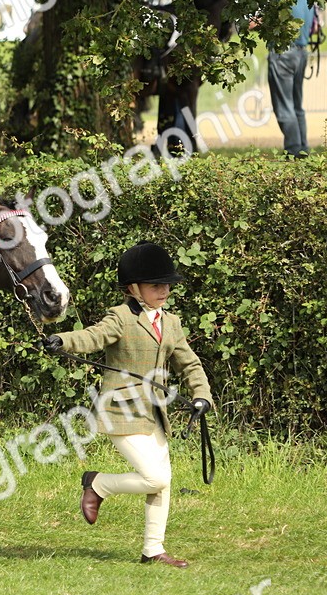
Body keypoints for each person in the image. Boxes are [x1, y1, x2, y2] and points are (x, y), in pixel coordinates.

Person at [43, 242, 213, 569]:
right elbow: (92, 337)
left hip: (154, 413)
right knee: (156, 478)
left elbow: (190, 365)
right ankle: (98, 484)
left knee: (162, 480)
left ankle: (153, 548)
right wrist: (63, 340)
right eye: (155, 285)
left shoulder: (172, 323)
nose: (164, 290)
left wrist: (201, 394)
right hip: (120, 410)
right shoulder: (120, 318)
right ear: (133, 288)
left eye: (166, 284)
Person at [266, 0, 314, 158]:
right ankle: (302, 147)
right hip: (301, 53)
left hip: (283, 53)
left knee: (284, 106)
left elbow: (261, 23)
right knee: (296, 105)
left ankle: (293, 149)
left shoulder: (281, 1)